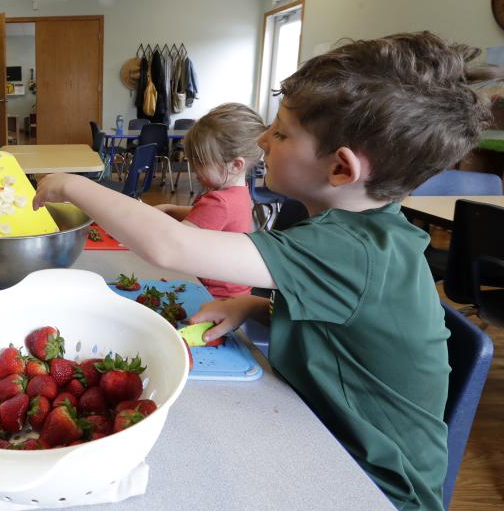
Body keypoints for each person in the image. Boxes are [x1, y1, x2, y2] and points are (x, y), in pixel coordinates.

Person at [34, 31, 494, 510]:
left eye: (280, 132)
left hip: (373, 487)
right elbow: (345, 334)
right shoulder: (370, 233)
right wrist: (253, 305)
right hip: (325, 441)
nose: (261, 139)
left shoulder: (351, 249)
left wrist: (73, 186)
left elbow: (170, 246)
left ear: (341, 169)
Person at [153, 103, 265, 298]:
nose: (195, 169)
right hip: (236, 292)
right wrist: (170, 209)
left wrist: (143, 221)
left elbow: (175, 241)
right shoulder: (237, 193)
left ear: (236, 165)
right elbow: (203, 217)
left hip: (213, 296)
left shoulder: (219, 202)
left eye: (201, 162)